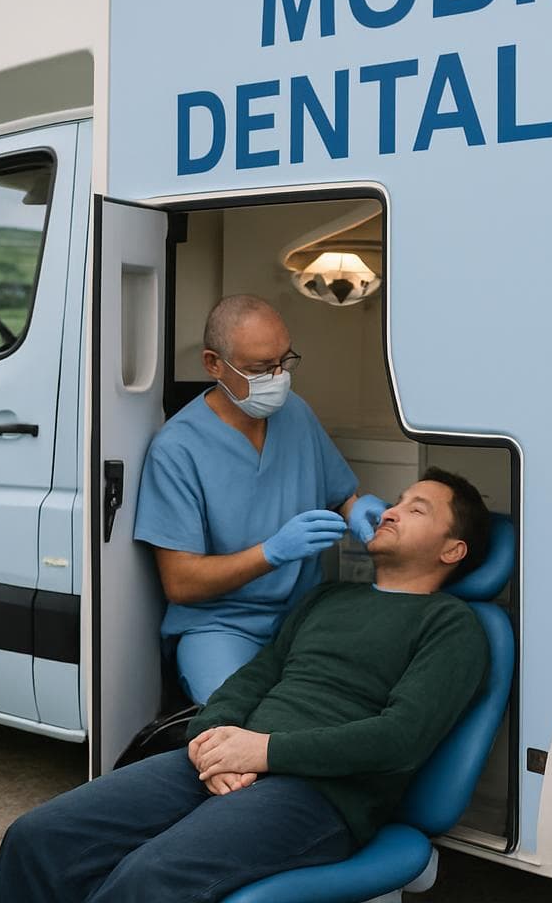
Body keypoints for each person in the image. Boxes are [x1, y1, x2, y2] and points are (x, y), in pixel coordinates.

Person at [0, 468, 492, 902]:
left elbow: (400, 739)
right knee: (38, 838)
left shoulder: (452, 626)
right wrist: (213, 738)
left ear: (453, 549)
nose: (391, 511)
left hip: (321, 794)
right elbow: (255, 677)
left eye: (416, 509)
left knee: (150, 879)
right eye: (398, 500)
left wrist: (264, 752)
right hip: (231, 756)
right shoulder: (329, 599)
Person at [134, 293, 387, 704]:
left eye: (284, 363)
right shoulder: (177, 450)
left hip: (306, 614)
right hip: (222, 625)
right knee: (236, 721)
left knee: (339, 706)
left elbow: (341, 494)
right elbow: (180, 582)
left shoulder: (296, 413)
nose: (277, 379)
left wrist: (359, 510)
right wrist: (271, 552)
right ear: (214, 364)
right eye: (259, 369)